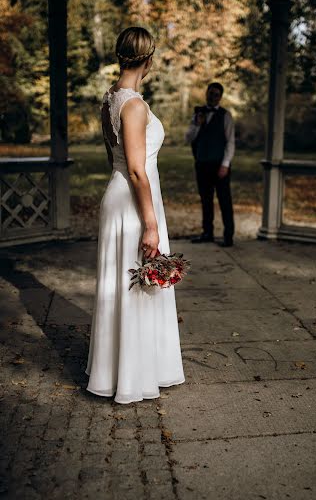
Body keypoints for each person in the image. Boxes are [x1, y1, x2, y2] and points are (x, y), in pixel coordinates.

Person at [85, 26, 185, 403]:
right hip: (133, 202)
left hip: (117, 194)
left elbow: (115, 159)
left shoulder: (110, 98)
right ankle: (132, 378)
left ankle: (123, 370)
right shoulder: (135, 105)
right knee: (136, 282)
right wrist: (151, 224)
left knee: (124, 283)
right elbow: (138, 170)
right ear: (148, 58)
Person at [185, 82, 235, 247]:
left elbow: (230, 142)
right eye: (210, 93)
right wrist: (198, 125)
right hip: (202, 164)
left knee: (224, 200)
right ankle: (207, 232)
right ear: (206, 94)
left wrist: (225, 164)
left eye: (216, 94)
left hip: (220, 164)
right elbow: (188, 138)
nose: (212, 97)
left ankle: (228, 235)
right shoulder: (198, 114)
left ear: (220, 97)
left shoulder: (225, 116)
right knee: (206, 200)